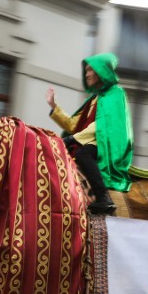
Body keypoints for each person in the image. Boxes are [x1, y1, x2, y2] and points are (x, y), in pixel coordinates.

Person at [46, 52, 133, 215]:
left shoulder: (116, 94)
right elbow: (73, 124)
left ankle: (103, 198)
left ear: (101, 71)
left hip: (107, 145)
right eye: (86, 70)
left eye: (90, 70)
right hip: (90, 141)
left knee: (83, 154)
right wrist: (54, 107)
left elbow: (104, 124)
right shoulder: (94, 98)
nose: (86, 74)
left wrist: (73, 139)